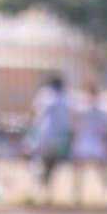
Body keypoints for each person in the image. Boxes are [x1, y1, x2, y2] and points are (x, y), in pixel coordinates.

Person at [25, 74, 72, 205]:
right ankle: (46, 189)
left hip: (44, 136)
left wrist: (30, 128)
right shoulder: (67, 98)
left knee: (32, 157)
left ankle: (36, 188)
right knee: (51, 164)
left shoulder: (45, 94)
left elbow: (34, 111)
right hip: (60, 139)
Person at [69, 83, 107, 205]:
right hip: (90, 143)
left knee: (101, 170)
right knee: (82, 170)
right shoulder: (94, 109)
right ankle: (77, 196)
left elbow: (75, 124)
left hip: (90, 143)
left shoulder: (88, 109)